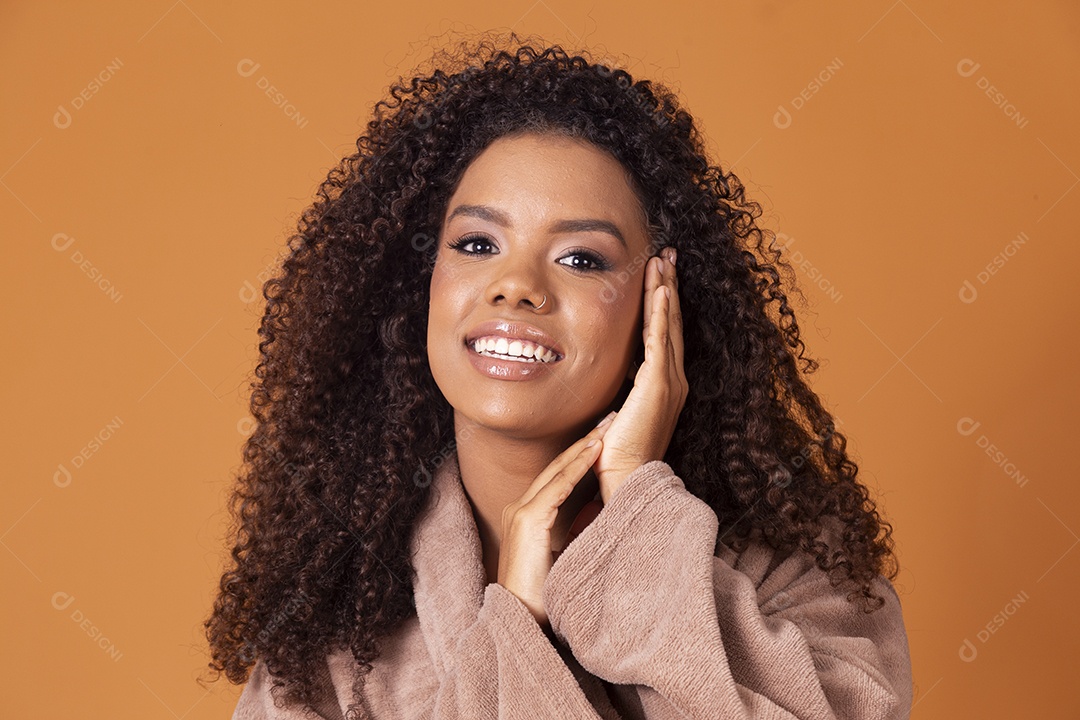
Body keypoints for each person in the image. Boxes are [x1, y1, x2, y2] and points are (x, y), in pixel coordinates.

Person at [203, 32, 913, 720]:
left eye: (581, 259)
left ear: (660, 304)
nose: (515, 285)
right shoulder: (330, 637)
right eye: (478, 244)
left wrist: (635, 512)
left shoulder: (794, 582)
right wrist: (517, 626)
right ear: (417, 287)